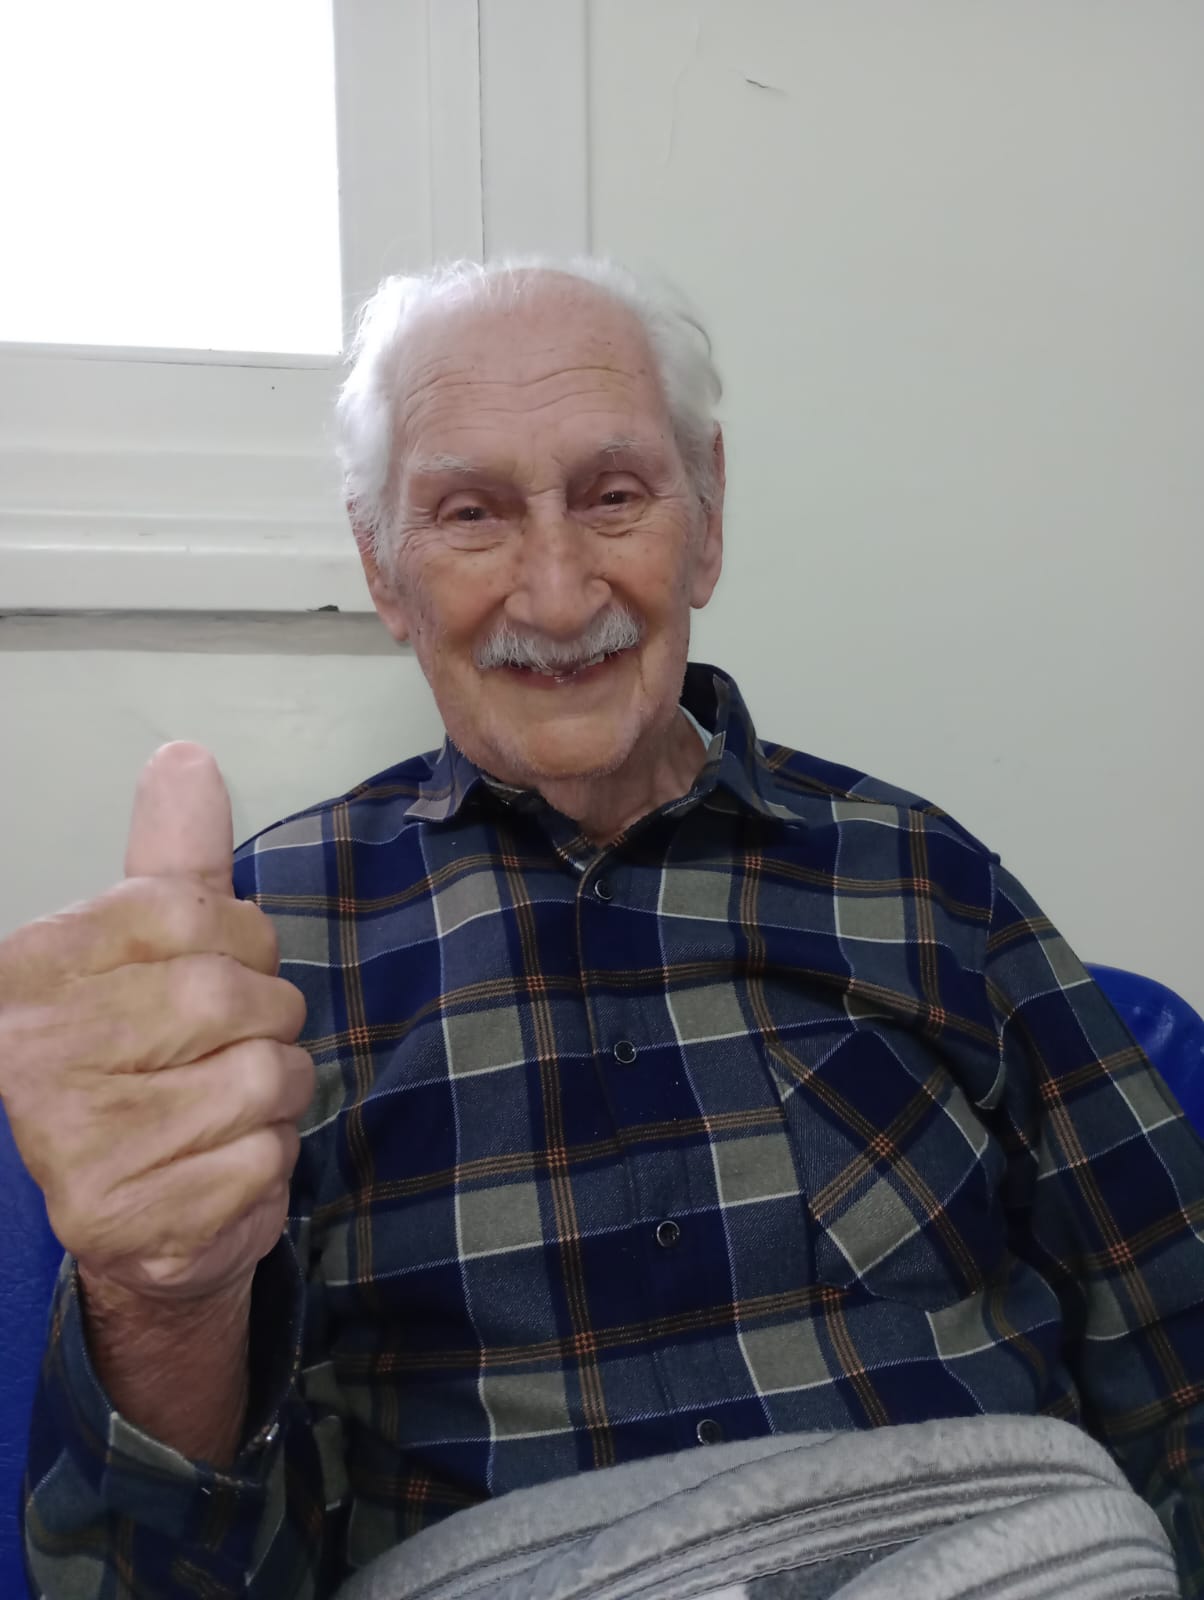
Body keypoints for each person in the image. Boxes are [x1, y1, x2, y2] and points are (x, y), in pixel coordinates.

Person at [8, 259, 1203, 1599]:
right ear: (383, 567)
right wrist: (164, 1302)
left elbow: (1183, 1366)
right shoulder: (253, 955)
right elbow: (138, 1579)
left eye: (614, 494)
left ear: (707, 519)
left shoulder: (929, 882)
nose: (560, 595)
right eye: (471, 513)